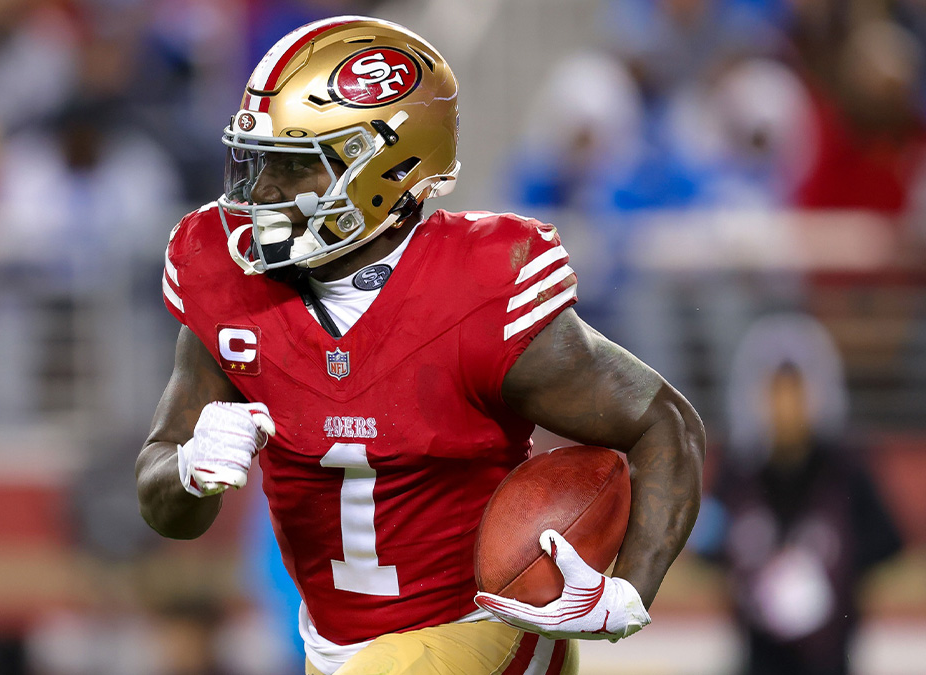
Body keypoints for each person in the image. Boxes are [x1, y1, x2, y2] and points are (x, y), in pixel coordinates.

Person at [135, 16, 705, 675]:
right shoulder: (229, 281)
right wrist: (187, 471)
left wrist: (629, 586)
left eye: (295, 170)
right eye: (259, 163)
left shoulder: (477, 291)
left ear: (386, 169)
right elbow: (166, 508)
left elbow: (667, 424)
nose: (261, 192)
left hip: (478, 629)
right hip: (338, 649)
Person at [692, 314, 903, 675]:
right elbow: (707, 541)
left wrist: (825, 567)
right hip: (758, 654)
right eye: (775, 391)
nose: (786, 405)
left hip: (832, 657)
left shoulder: (846, 469)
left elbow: (888, 542)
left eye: (796, 390)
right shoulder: (739, 471)